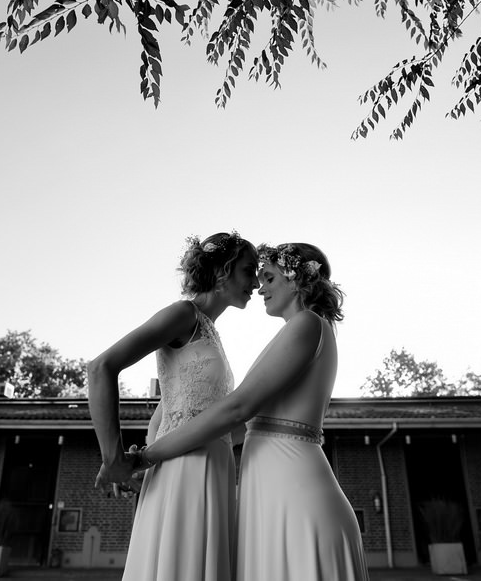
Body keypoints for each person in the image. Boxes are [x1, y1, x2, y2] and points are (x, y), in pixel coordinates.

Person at [132, 242, 369, 581]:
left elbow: (238, 407)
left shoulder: (307, 324)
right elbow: (244, 422)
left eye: (270, 278)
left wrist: (146, 457)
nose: (260, 288)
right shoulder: (302, 329)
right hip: (271, 485)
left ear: (297, 278)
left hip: (294, 490)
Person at [87, 231, 259, 581]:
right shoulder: (184, 315)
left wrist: (143, 456)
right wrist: (115, 459)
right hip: (186, 469)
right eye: (249, 270)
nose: (256, 281)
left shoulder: (211, 332)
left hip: (216, 466)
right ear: (223, 271)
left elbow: (170, 405)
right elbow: (100, 368)